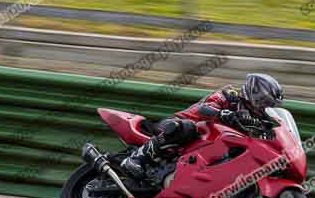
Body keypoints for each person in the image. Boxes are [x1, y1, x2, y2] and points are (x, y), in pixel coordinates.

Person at [121, 73, 284, 178]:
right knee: (188, 128)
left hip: (205, 148)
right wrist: (222, 113)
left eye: (268, 104)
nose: (264, 105)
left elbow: (272, 133)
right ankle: (135, 159)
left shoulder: (256, 117)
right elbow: (204, 108)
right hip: (177, 126)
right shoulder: (231, 95)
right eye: (263, 100)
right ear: (253, 91)